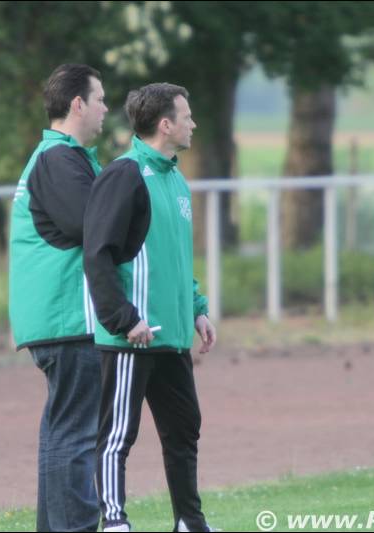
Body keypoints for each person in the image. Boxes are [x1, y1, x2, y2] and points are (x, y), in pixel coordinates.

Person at [83, 83, 217, 532]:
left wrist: (197, 308)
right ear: (165, 124)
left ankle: (189, 522)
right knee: (118, 435)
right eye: (187, 116)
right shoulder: (124, 175)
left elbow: (176, 258)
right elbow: (97, 256)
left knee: (184, 430)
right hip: (133, 337)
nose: (193, 123)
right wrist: (124, 319)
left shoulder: (176, 179)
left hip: (172, 335)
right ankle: (114, 522)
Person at [8, 63, 108, 532]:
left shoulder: (60, 158)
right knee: (77, 436)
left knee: (63, 432)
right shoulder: (59, 159)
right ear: (78, 104)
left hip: (54, 316)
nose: (106, 108)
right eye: (101, 99)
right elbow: (94, 227)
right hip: (68, 317)